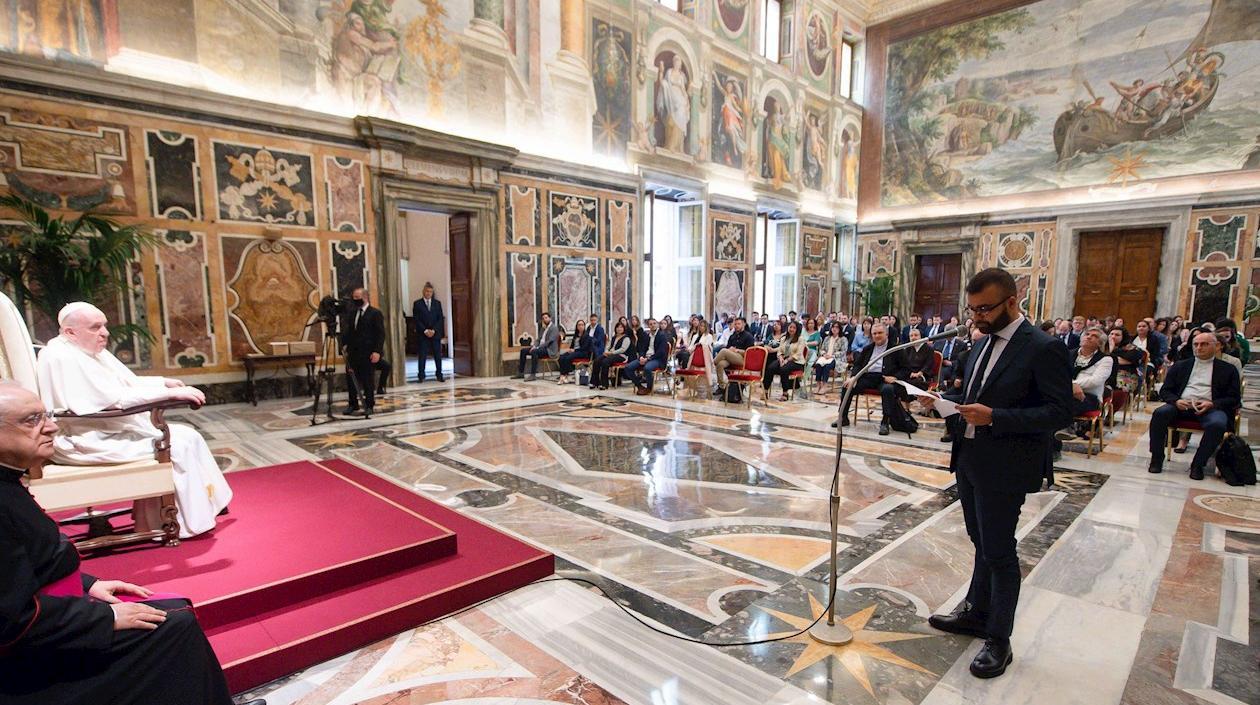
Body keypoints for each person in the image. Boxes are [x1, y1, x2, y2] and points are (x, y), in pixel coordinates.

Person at [0, 382, 263, 705]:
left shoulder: (8, 480)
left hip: (51, 615)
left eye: (46, 416)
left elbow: (29, 564)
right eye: (31, 420)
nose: (52, 426)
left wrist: (88, 584)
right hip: (26, 658)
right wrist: (104, 619)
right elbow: (11, 621)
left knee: (173, 609)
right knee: (174, 624)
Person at [919, 268, 1071, 679]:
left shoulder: (1042, 348)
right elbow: (974, 395)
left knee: (1000, 552)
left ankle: (999, 640)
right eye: (972, 311)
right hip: (970, 458)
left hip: (1008, 463)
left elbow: (1059, 412)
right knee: (979, 540)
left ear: (1011, 302)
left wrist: (996, 418)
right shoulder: (982, 344)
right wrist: (942, 401)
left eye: (985, 309)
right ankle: (975, 611)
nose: (977, 318)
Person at [35, 303, 231, 539]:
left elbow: (125, 382)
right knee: (177, 443)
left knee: (189, 435)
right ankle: (175, 522)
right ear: (70, 332)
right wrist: (168, 395)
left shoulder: (86, 351)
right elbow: (114, 399)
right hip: (84, 439)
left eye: (105, 325)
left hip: (103, 430)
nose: (105, 333)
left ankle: (205, 507)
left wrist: (162, 383)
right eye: (95, 327)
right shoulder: (61, 358)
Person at [1147, 332, 1240, 480]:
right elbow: (1165, 390)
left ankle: (1198, 464)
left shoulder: (1228, 369)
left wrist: (1212, 404)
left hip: (1210, 408)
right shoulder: (1181, 366)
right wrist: (1176, 401)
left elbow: (1234, 398)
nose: (1199, 348)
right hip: (1181, 405)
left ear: (1216, 346)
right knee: (1160, 413)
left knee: (1217, 424)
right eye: (1196, 344)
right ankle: (1157, 458)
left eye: (1204, 344)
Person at [833, 323, 906, 434]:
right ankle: (843, 417)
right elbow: (858, 365)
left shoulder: (896, 349)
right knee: (847, 386)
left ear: (886, 334)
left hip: (884, 378)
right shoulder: (868, 348)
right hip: (868, 377)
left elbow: (906, 369)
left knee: (888, 390)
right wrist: (854, 377)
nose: (877, 336)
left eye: (880, 333)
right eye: (874, 333)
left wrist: (895, 377)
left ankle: (885, 421)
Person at [1054, 326, 1112, 446]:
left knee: (1063, 403)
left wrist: (1072, 384)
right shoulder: (1069, 354)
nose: (1089, 337)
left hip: (1090, 397)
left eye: (1094, 336)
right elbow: (1057, 374)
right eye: (1087, 334)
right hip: (1065, 392)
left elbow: (1095, 381)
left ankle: (1063, 430)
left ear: (1100, 343)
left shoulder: (1105, 360)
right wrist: (1071, 386)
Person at [338, 288, 385, 416]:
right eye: (354, 297)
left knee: (367, 380)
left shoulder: (375, 313)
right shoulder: (353, 313)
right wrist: (344, 344)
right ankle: (353, 404)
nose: (355, 299)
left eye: (357, 297)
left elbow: (380, 334)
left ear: (365, 297)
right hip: (353, 352)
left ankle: (369, 405)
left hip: (368, 352)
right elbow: (350, 331)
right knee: (351, 379)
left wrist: (377, 351)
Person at [624, 318, 669, 395]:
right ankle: (639, 386)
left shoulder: (662, 336)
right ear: (648, 326)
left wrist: (648, 358)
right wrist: (641, 356)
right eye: (651, 324)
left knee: (647, 368)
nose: (653, 325)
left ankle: (649, 388)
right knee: (628, 367)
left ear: (657, 324)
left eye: (654, 323)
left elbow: (661, 352)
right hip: (645, 358)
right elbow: (643, 349)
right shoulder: (647, 335)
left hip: (657, 359)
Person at [763, 321, 806, 401]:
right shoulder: (783, 338)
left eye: (794, 327)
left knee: (784, 369)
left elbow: (798, 354)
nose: (792, 329)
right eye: (790, 327)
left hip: (796, 361)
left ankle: (785, 393)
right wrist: (780, 358)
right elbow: (780, 351)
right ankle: (765, 390)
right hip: (784, 359)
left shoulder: (801, 339)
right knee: (771, 367)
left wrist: (787, 360)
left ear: (797, 329)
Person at [411, 282, 445, 383]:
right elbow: (416, 319)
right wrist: (425, 330)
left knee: (437, 355)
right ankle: (421, 375)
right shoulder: (417, 304)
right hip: (423, 334)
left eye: (430, 292)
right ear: (423, 292)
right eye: (427, 291)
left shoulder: (437, 303)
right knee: (422, 355)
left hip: (435, 333)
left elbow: (440, 319)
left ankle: (439, 374)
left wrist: (434, 330)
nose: (428, 293)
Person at [714, 317, 756, 394]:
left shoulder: (748, 336)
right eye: (735, 324)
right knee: (720, 364)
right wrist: (730, 349)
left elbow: (750, 352)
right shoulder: (732, 336)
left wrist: (737, 350)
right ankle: (722, 386)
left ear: (743, 324)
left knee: (723, 351)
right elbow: (727, 348)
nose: (736, 326)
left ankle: (711, 363)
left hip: (743, 359)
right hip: (731, 357)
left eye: (738, 324)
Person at [512, 312, 558, 381]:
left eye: (546, 318)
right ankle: (521, 373)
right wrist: (534, 346)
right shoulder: (543, 328)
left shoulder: (554, 328)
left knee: (534, 352)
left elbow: (549, 341)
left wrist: (537, 348)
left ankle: (533, 375)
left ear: (550, 318)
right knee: (523, 351)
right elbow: (538, 339)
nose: (544, 320)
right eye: (543, 318)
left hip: (549, 349)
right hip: (540, 348)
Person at [590, 322, 633, 390]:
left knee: (605, 362)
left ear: (624, 329)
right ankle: (594, 382)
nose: (619, 329)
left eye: (621, 327)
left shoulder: (626, 338)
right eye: (618, 327)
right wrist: (606, 352)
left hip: (621, 356)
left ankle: (604, 384)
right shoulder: (614, 337)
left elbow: (623, 349)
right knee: (597, 361)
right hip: (610, 354)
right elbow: (608, 346)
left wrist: (612, 353)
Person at [812, 322, 847, 394]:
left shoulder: (843, 339)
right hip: (825, 357)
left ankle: (825, 385)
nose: (834, 329)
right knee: (818, 364)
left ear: (840, 329)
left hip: (837, 358)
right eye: (833, 327)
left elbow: (843, 351)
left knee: (827, 366)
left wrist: (832, 355)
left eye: (837, 327)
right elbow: (822, 349)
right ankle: (818, 385)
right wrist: (824, 354)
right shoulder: (827, 338)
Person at [555, 319, 590, 385]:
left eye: (582, 325)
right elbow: (572, 345)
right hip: (574, 351)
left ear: (584, 326)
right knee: (561, 357)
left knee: (568, 358)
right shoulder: (576, 335)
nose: (580, 326)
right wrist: (570, 349)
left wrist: (574, 350)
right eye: (579, 325)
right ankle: (564, 375)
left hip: (582, 352)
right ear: (577, 326)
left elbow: (584, 348)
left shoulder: (586, 336)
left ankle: (563, 376)